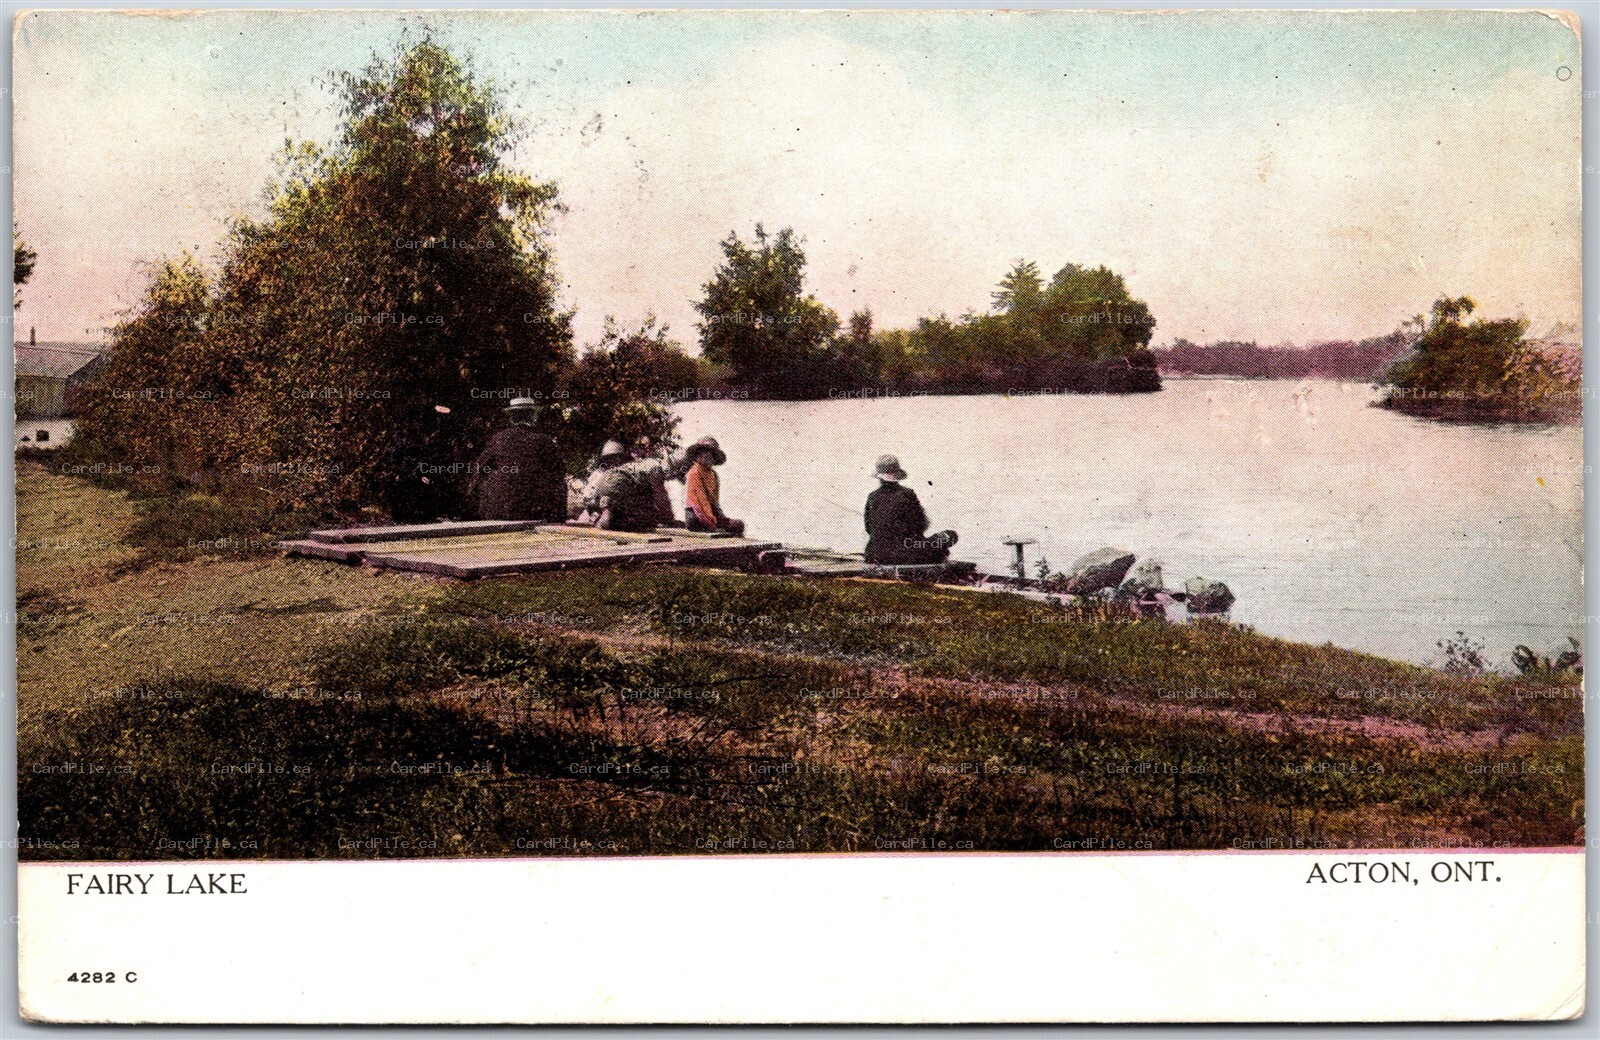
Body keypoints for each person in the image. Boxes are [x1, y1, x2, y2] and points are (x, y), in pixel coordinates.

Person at [469, 397, 567, 522]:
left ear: (512, 417)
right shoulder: (544, 440)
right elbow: (559, 471)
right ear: (532, 416)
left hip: (498, 508)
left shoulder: (499, 438)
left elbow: (480, 466)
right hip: (534, 509)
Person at [864, 454, 958, 565]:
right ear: (897, 475)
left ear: (879, 476)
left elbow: (869, 528)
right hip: (905, 553)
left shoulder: (872, 497)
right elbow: (920, 525)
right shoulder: (907, 494)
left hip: (874, 554)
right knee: (949, 535)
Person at [580, 439, 676, 532]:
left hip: (607, 494)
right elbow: (660, 497)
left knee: (610, 508)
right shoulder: (652, 467)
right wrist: (669, 518)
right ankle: (615, 516)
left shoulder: (603, 474)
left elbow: (592, 502)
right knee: (645, 511)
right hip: (622, 493)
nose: (612, 462)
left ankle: (610, 514)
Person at [680, 436, 745, 536]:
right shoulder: (694, 472)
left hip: (710, 514)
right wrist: (711, 523)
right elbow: (699, 503)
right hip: (696, 516)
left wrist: (721, 518)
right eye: (702, 452)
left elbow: (715, 502)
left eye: (709, 452)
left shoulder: (713, 475)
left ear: (714, 457)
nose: (705, 455)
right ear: (697, 455)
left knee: (738, 525)